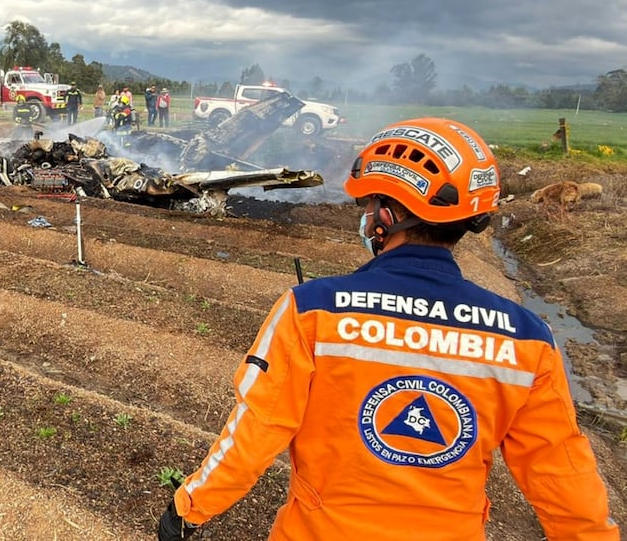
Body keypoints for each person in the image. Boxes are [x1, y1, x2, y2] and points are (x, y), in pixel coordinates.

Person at [158, 117, 619, 541]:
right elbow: (559, 467)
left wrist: (190, 508)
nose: (365, 216)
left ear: (388, 216)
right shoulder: (526, 336)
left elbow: (257, 427)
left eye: (371, 203)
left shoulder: (313, 309)